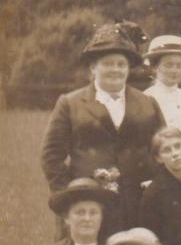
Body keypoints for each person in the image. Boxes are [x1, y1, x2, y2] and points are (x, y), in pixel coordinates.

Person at [41, 22, 165, 231]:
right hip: (89, 207)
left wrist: (156, 189)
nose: (115, 69)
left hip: (138, 205)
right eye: (108, 63)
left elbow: (162, 150)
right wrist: (69, 197)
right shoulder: (70, 103)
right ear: (93, 67)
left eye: (121, 64)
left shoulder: (147, 103)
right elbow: (51, 156)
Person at [143, 35, 181, 157]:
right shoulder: (146, 98)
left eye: (179, 66)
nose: (174, 70)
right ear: (155, 67)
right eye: (168, 65)